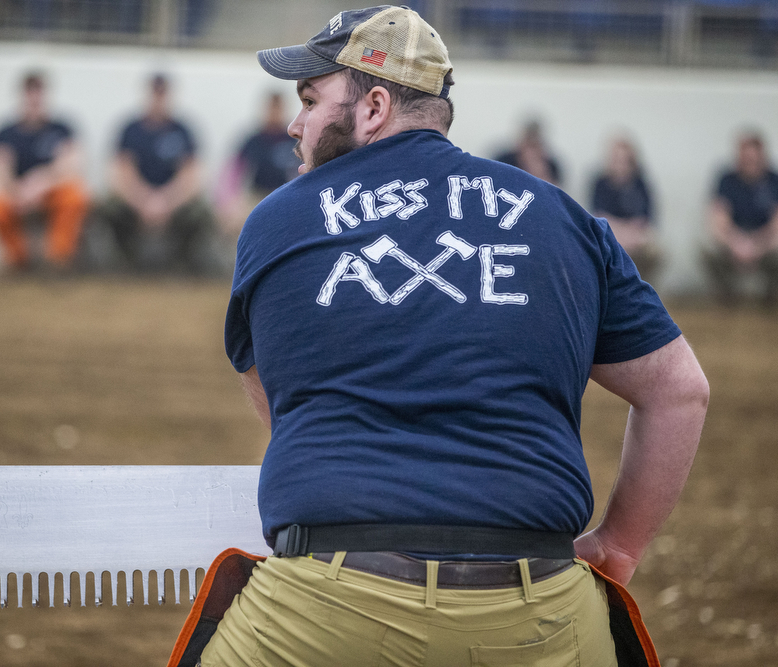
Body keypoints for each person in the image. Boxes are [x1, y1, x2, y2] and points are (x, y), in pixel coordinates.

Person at [169, 6, 709, 667]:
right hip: (538, 604)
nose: (295, 123)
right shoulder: (564, 218)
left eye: (310, 99)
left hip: (324, 610)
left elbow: (282, 406)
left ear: (372, 106)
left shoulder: (277, 221)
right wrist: (619, 545)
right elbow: (679, 391)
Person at [99, 73, 218, 275]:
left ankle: (181, 265)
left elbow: (190, 176)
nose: (158, 98)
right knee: (109, 208)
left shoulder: (183, 130)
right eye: (155, 92)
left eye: (162, 93)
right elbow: (121, 173)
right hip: (136, 199)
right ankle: (127, 263)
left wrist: (166, 201)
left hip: (173, 200)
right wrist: (144, 200)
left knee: (201, 212)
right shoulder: (130, 130)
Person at [0, 71, 89, 272]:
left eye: (38, 92)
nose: (34, 98)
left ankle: (58, 259)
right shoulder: (5, 133)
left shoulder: (61, 129)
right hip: (16, 194)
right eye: (30, 92)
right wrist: (18, 192)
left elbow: (71, 166)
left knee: (75, 195)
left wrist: (41, 184)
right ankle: (17, 260)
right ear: (22, 96)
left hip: (51, 191)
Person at [215, 92, 301, 253]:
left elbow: (302, 174)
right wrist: (229, 204)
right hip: (255, 197)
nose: (274, 112)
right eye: (271, 107)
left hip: (284, 197)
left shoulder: (294, 140)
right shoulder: (252, 140)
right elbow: (232, 174)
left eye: (278, 108)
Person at [702, 132, 778, 305]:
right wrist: (736, 242)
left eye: (754, 159)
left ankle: (771, 299)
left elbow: (776, 223)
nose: (750, 163)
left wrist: (758, 245)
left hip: (763, 240)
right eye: (745, 158)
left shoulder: (774, 180)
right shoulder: (726, 179)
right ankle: (726, 297)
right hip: (735, 237)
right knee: (707, 245)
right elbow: (719, 217)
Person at [591, 137, 661, 283]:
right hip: (610, 236)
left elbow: (646, 219)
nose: (621, 165)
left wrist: (631, 235)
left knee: (656, 248)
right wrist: (620, 234)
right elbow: (598, 217)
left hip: (636, 237)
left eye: (625, 160)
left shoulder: (640, 183)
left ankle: (644, 288)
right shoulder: (600, 183)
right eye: (617, 159)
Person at [494, 118, 563, 186]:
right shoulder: (504, 161)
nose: (531, 152)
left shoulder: (551, 166)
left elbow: (554, 191)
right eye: (529, 144)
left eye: (534, 145)